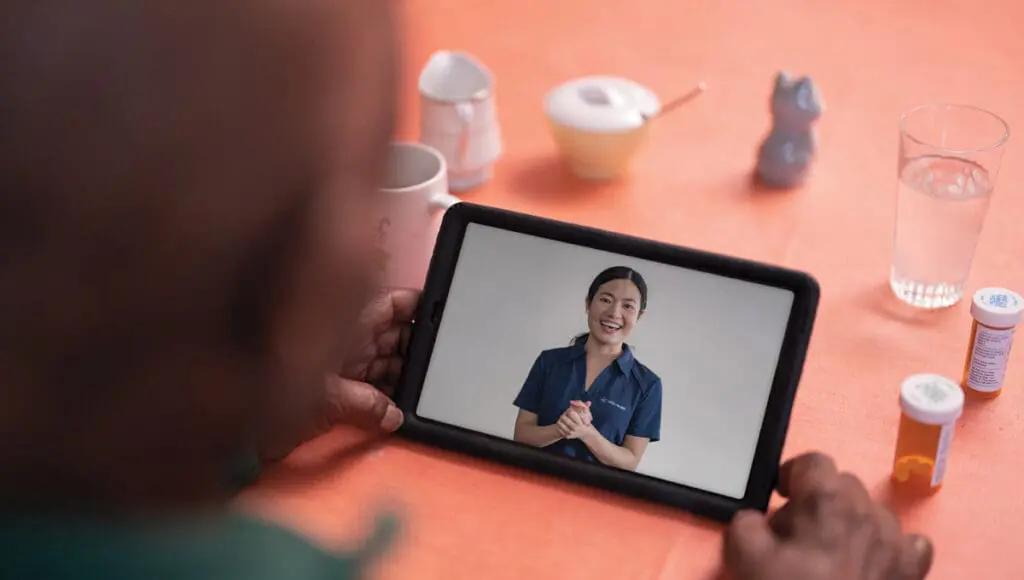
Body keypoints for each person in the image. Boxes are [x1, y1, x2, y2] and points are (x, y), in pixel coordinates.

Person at [0, 1, 935, 579]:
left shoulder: (641, 382)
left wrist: (205, 421)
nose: (613, 312)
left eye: (627, 305)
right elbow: (527, 431)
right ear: (293, 283)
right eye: (355, 183)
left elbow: (636, 461)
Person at [511, 266, 662, 471]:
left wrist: (587, 433)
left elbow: (630, 462)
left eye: (628, 306)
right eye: (606, 300)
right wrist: (559, 430)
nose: (614, 313)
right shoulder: (549, 362)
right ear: (588, 303)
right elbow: (521, 434)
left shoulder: (648, 385)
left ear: (639, 316)